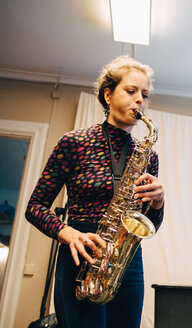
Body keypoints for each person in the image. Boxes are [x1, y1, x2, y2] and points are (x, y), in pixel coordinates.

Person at [25, 55, 164, 328]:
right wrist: (69, 234)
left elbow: (149, 224)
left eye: (145, 95)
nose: (140, 100)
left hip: (127, 263)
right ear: (108, 95)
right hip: (82, 254)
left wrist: (159, 202)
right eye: (131, 91)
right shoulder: (74, 142)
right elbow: (35, 207)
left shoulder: (149, 156)